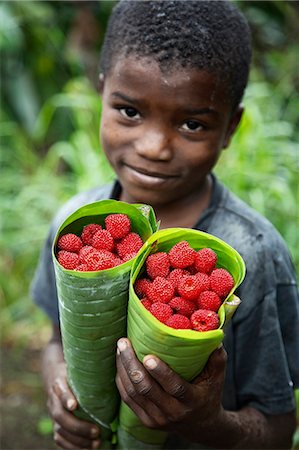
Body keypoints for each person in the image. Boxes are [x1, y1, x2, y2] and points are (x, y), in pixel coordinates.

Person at [31, 1, 299, 449]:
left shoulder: (254, 254)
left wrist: (206, 423)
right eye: (130, 112)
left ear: (231, 128)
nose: (154, 147)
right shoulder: (73, 226)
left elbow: (278, 426)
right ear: (102, 94)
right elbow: (57, 340)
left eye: (192, 123)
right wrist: (61, 386)